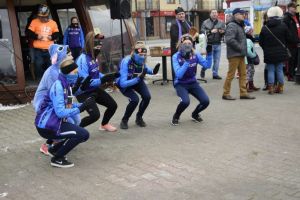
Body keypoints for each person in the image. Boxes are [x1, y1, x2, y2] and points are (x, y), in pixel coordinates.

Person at [35, 56, 95, 168]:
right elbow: (61, 113)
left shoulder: (67, 86)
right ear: (68, 73)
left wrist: (84, 104)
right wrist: (80, 109)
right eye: (75, 72)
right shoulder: (58, 86)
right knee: (82, 134)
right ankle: (57, 158)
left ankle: (54, 149)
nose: (77, 74)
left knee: (82, 133)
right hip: (47, 126)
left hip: (54, 123)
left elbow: (69, 105)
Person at [76, 31, 118, 132]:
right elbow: (85, 82)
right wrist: (102, 80)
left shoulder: (93, 57)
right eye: (97, 46)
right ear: (91, 44)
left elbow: (96, 73)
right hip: (84, 92)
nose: (99, 48)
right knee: (95, 115)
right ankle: (75, 130)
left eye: (100, 46)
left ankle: (104, 124)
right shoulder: (82, 59)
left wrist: (109, 77)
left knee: (113, 105)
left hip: (94, 89)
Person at [117, 41, 160, 129]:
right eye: (140, 55)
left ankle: (139, 117)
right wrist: (138, 79)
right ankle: (124, 120)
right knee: (134, 100)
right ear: (135, 53)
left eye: (144, 55)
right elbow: (123, 83)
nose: (143, 57)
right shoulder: (126, 61)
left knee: (147, 97)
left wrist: (153, 71)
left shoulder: (141, 60)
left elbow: (145, 69)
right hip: (125, 83)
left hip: (137, 80)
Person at [171, 34, 212, 125]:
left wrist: (209, 54)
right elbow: (179, 75)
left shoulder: (196, 55)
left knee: (205, 101)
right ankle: (176, 116)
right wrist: (186, 62)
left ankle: (195, 114)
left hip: (192, 82)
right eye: (185, 43)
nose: (187, 45)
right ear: (181, 44)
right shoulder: (176, 56)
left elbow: (207, 65)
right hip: (180, 83)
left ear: (192, 44)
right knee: (185, 102)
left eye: (189, 43)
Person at [222, 8, 255, 100]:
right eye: (242, 14)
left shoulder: (239, 24)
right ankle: (226, 93)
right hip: (234, 54)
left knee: (243, 74)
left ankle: (243, 93)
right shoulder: (232, 25)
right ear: (236, 15)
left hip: (240, 54)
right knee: (231, 75)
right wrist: (240, 48)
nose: (244, 15)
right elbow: (229, 40)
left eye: (244, 14)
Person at [259, 6, 291, 94]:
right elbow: (289, 38)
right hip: (281, 52)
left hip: (269, 52)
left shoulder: (265, 27)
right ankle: (280, 88)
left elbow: (261, 42)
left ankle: (271, 88)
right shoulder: (283, 25)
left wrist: (266, 48)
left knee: (270, 70)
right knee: (279, 69)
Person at [27, 4, 60, 79]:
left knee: (51, 64)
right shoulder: (34, 21)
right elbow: (28, 33)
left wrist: (52, 37)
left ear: (48, 16)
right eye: (40, 17)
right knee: (38, 64)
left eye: (44, 17)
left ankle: (50, 78)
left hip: (49, 49)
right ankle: (41, 79)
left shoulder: (53, 23)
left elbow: (57, 34)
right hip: (38, 50)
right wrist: (36, 36)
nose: (42, 18)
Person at [200, 9, 225, 80]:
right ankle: (203, 69)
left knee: (217, 60)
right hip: (209, 44)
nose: (214, 14)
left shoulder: (221, 22)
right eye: (213, 13)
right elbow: (202, 31)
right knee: (208, 62)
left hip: (218, 43)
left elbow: (224, 31)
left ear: (217, 14)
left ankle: (215, 74)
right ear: (210, 14)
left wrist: (222, 32)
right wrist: (210, 31)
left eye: (215, 13)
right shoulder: (205, 22)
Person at [170, 7, 192, 85]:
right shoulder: (174, 24)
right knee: (177, 67)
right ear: (176, 16)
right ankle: (177, 84)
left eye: (182, 14)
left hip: (187, 48)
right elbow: (175, 37)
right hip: (177, 49)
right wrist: (186, 38)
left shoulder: (188, 23)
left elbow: (191, 34)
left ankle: (186, 82)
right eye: (179, 14)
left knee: (186, 65)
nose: (181, 15)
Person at [283, 2, 300, 81]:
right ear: (289, 8)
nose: (295, 8)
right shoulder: (286, 18)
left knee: (296, 59)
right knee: (291, 59)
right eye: (293, 7)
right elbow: (286, 31)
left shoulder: (296, 17)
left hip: (297, 41)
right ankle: (290, 75)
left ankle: (293, 73)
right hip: (291, 42)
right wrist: (292, 39)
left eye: (295, 7)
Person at [245, 26, 260, 92]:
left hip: (248, 59)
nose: (252, 32)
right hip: (249, 59)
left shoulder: (249, 39)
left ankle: (251, 86)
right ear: (248, 32)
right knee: (249, 73)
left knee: (251, 72)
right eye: (251, 31)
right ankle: (245, 87)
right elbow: (248, 51)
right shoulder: (248, 40)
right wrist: (253, 56)